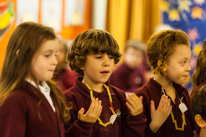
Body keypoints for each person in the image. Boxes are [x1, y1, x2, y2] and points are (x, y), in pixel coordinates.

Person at [64, 29, 146, 137]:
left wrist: (136, 117)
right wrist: (84, 124)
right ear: (81, 62)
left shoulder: (120, 97)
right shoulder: (68, 98)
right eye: (99, 57)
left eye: (111, 57)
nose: (107, 63)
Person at [0, 22, 70, 137]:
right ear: (22, 55)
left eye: (55, 55)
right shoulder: (14, 101)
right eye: (47, 55)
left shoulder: (52, 92)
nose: (55, 61)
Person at [135, 30, 194, 137]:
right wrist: (155, 125)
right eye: (183, 62)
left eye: (189, 62)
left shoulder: (183, 93)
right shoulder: (143, 96)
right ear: (163, 64)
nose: (189, 68)